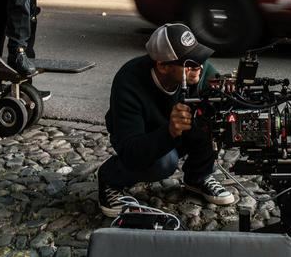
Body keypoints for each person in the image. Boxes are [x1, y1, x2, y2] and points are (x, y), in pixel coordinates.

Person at [97, 23, 235, 218]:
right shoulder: (129, 82)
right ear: (162, 65)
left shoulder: (201, 72)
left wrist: (230, 97)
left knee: (214, 123)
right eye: (190, 63)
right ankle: (110, 178)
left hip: (181, 131)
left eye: (201, 58)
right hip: (145, 138)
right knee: (164, 163)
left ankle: (198, 176)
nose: (200, 67)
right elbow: (130, 149)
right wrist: (169, 132)